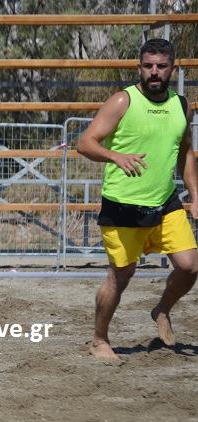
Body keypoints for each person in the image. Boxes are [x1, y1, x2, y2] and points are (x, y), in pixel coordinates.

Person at [77, 38, 198, 364]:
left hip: (165, 202)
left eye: (161, 66)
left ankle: (162, 310)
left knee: (189, 268)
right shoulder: (122, 101)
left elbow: (185, 153)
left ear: (173, 67)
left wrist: (196, 196)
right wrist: (115, 156)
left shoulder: (182, 105)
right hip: (123, 205)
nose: (154, 72)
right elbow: (85, 142)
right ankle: (99, 340)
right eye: (148, 66)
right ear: (139, 68)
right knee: (122, 275)